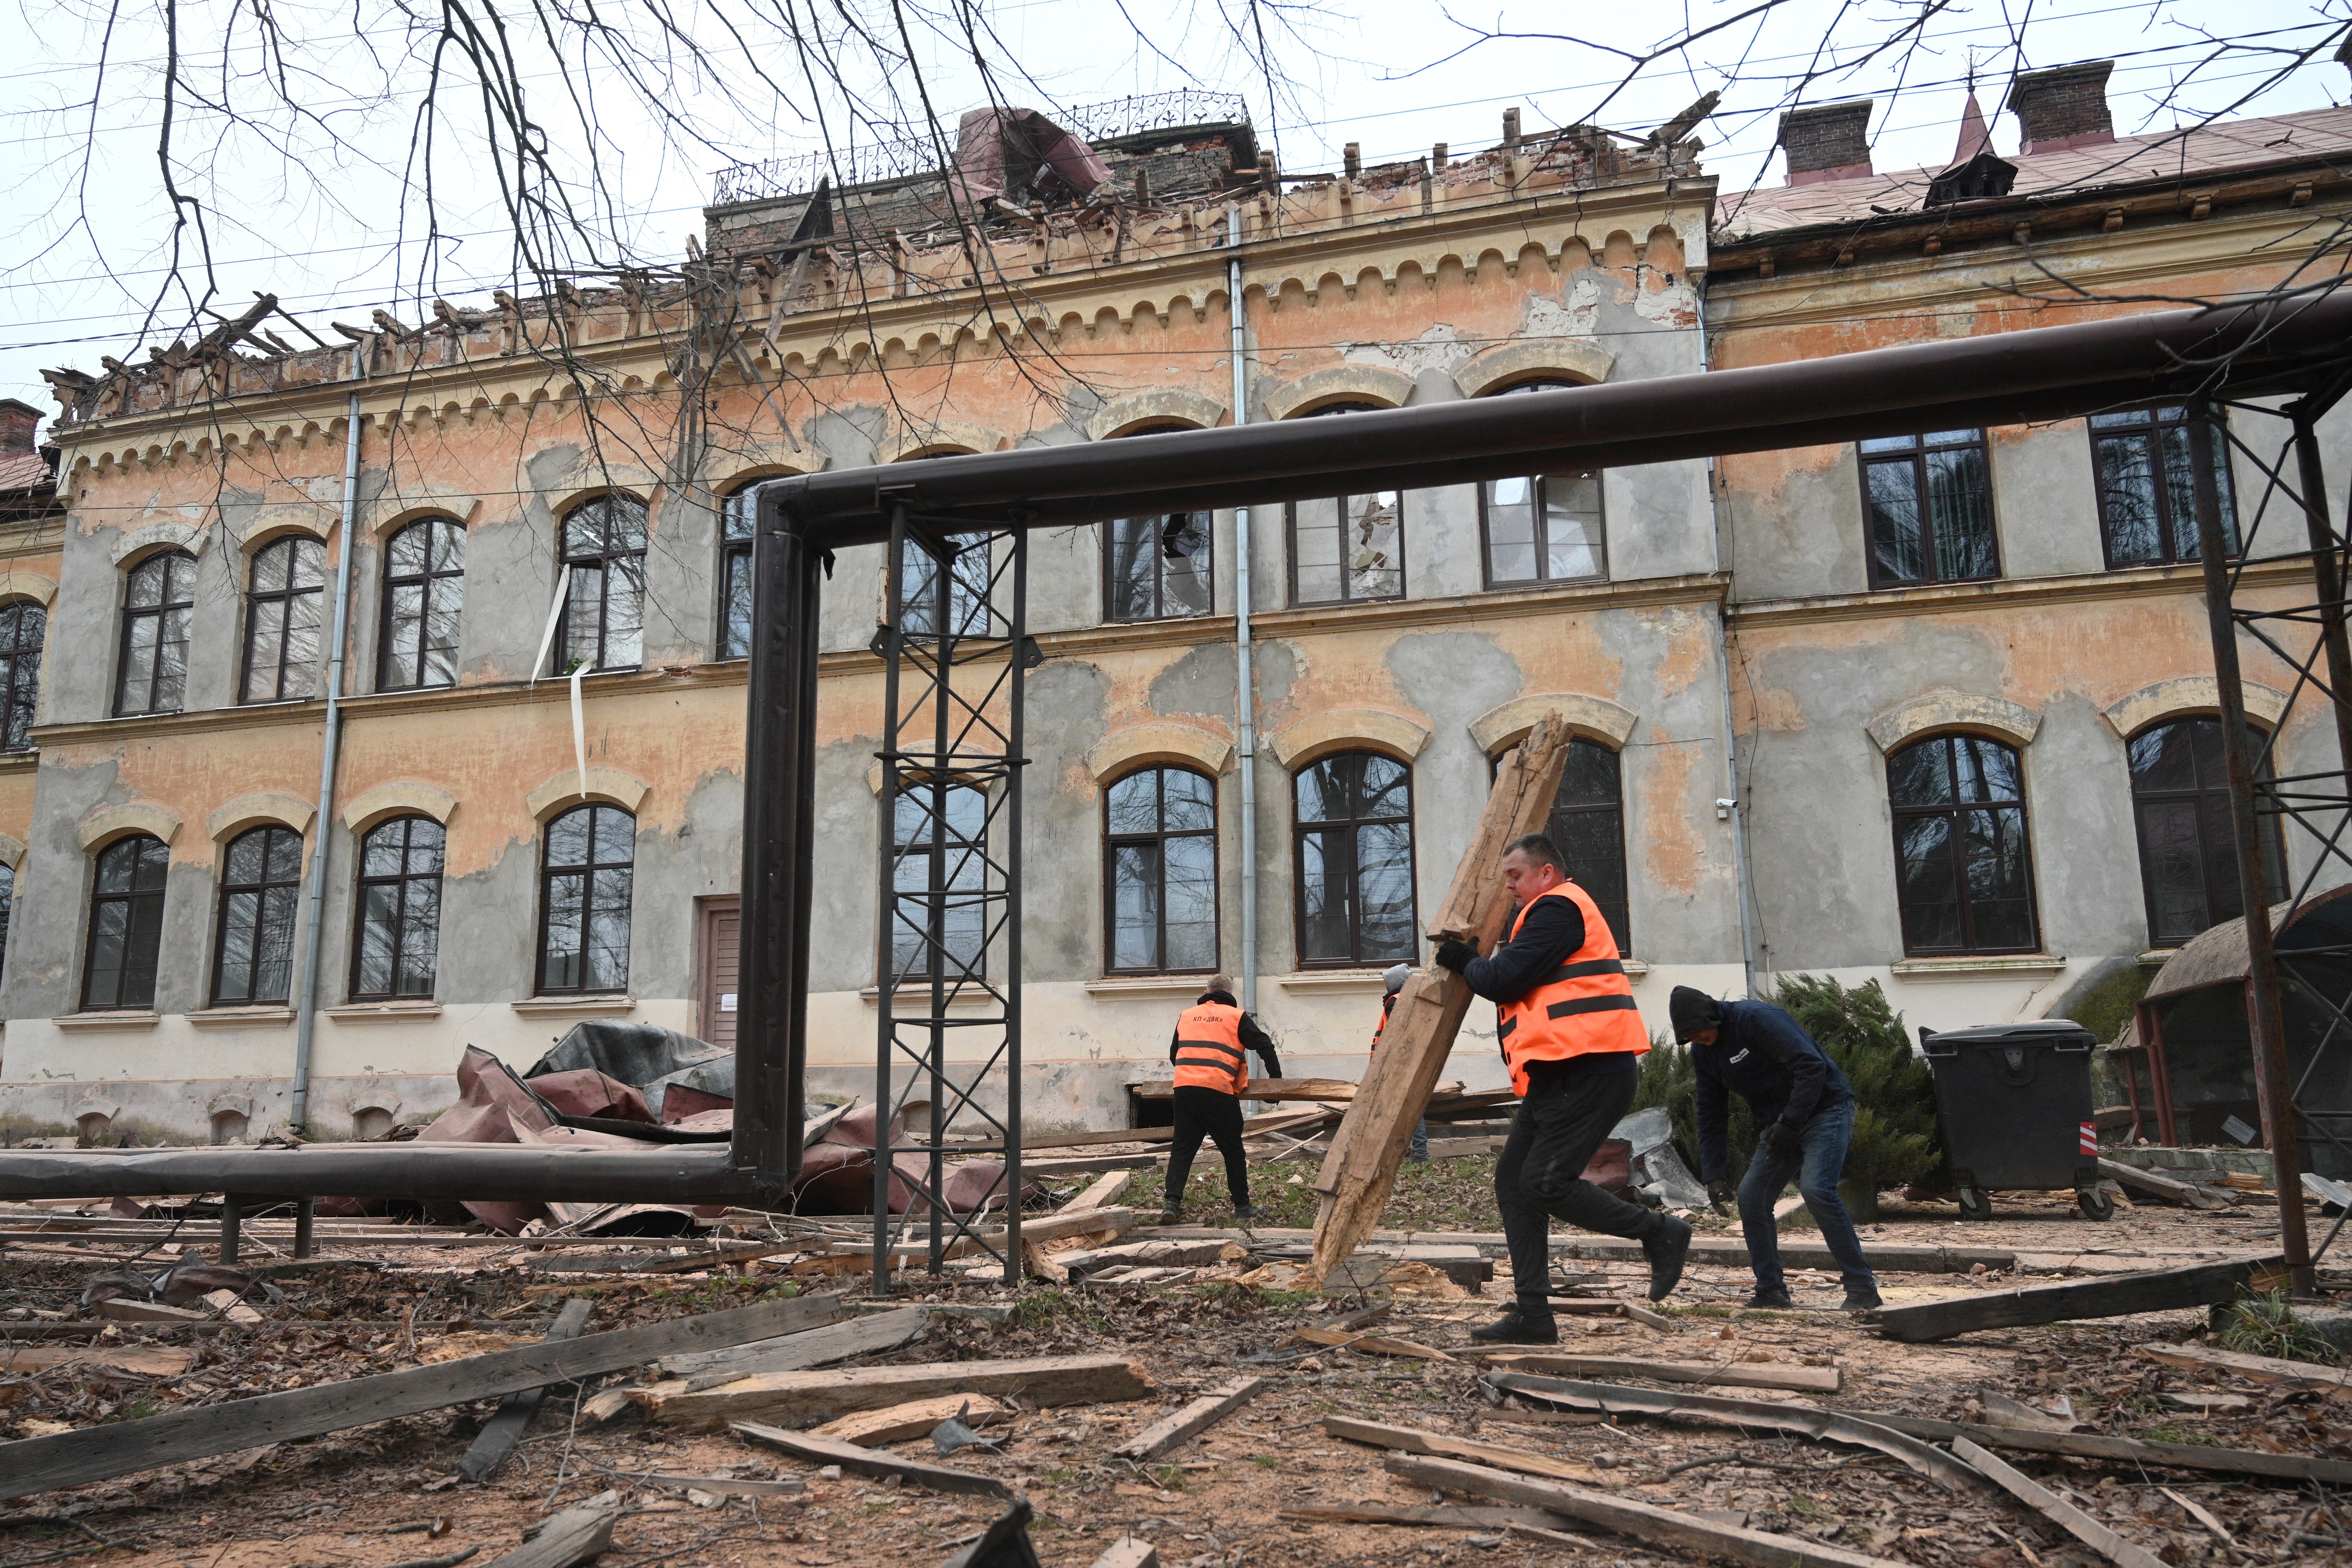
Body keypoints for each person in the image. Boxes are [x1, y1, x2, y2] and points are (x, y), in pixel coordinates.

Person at [1436, 834, 1693, 1344]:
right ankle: (1533, 1315)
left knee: (1545, 1183)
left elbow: (1503, 980)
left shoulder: (1558, 909)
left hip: (1590, 1071)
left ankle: (1661, 1232)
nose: (1508, 886)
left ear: (1546, 873)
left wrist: (1462, 959)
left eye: (1515, 876)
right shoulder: (1544, 913)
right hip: (1562, 1074)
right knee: (1514, 1183)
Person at [1670, 985, 1882, 1312]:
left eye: (1698, 1031)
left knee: (1816, 1190)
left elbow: (1811, 1066)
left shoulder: (1757, 1019)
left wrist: (1791, 1123)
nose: (1696, 1039)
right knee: (1752, 1197)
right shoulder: (1703, 1054)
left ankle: (1862, 1288)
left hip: (1826, 1109)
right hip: (1780, 1124)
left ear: (1713, 1016)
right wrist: (1713, 1174)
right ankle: (1771, 1292)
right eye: (1688, 1037)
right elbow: (1710, 1111)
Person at [1156, 973, 1281, 1225]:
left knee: (1182, 1149)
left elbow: (1174, 1054)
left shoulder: (1187, 1015)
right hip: (1218, 1092)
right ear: (1230, 993)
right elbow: (1265, 1045)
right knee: (1233, 1151)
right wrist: (1275, 1082)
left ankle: (1171, 1204)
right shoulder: (1236, 1017)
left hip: (1185, 1090)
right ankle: (1242, 1207)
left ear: (1207, 992)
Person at [1373, 962, 1429, 1161]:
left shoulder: (1396, 1001)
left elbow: (1398, 1034)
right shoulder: (1414, 999)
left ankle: (1417, 1154)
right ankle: (1418, 1152)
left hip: (1397, 1064)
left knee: (1401, 1107)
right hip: (1411, 1061)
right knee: (1411, 1107)